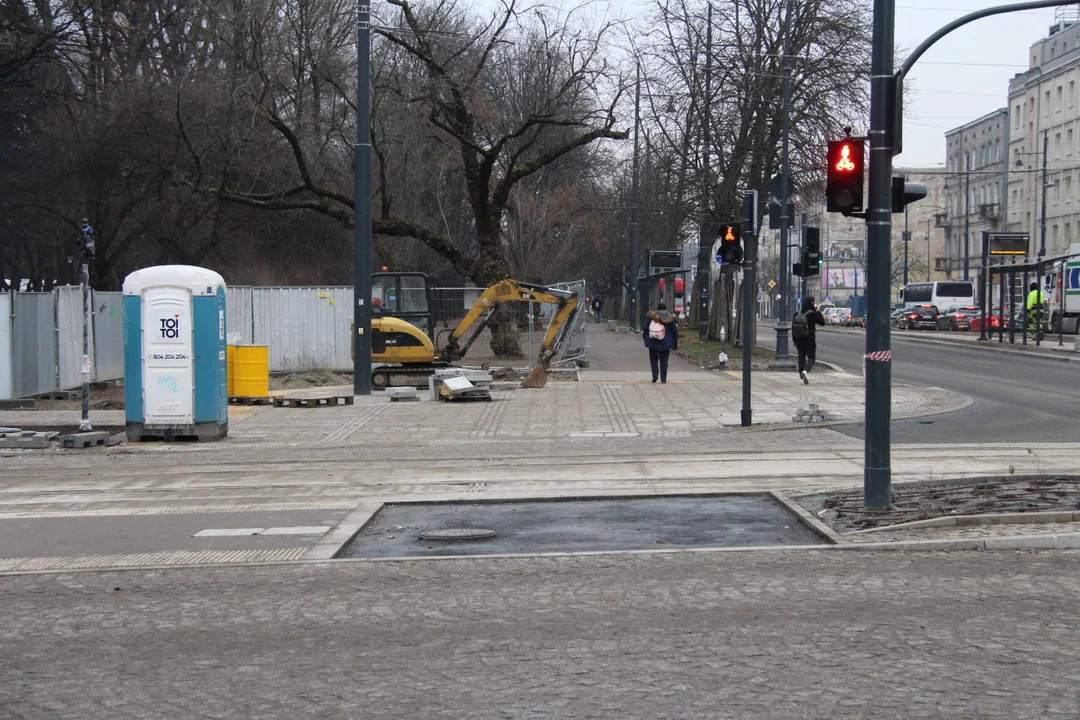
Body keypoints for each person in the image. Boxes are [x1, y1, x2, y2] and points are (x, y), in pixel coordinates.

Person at [792, 296, 826, 385]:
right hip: (810, 339)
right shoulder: (812, 314)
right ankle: (806, 371)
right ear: (811, 303)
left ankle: (801, 373)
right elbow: (822, 322)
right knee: (812, 358)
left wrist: (794, 340)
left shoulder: (797, 313)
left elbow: (793, 328)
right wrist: (818, 311)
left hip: (799, 339)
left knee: (801, 358)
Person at [643, 301, 678, 383]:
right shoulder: (671, 318)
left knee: (653, 359)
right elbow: (674, 332)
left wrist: (645, 339)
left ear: (657, 309)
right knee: (664, 361)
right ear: (666, 309)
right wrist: (674, 343)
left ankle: (655, 375)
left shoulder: (651, 316)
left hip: (653, 342)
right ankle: (663, 378)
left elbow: (645, 328)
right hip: (666, 343)